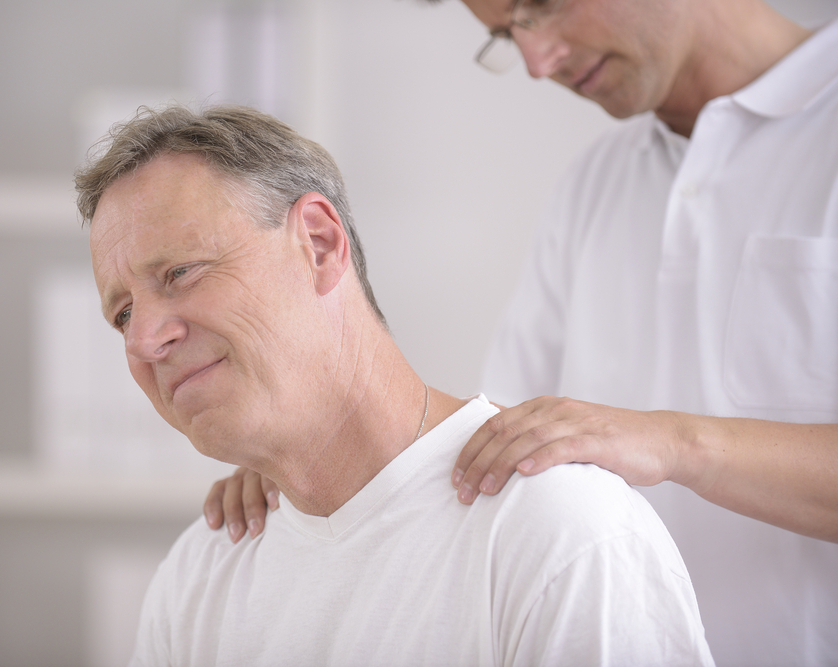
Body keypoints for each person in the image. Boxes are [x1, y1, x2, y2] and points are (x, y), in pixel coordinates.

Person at [204, 0, 838, 664]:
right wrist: (313, 461)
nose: (539, 62)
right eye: (508, 34)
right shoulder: (598, 184)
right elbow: (495, 444)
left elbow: (638, 440)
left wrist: (676, 442)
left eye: (542, 6)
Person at [76, 104, 714, 666]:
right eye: (122, 313)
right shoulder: (203, 571)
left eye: (181, 272)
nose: (141, 341)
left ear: (320, 245)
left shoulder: (556, 532)